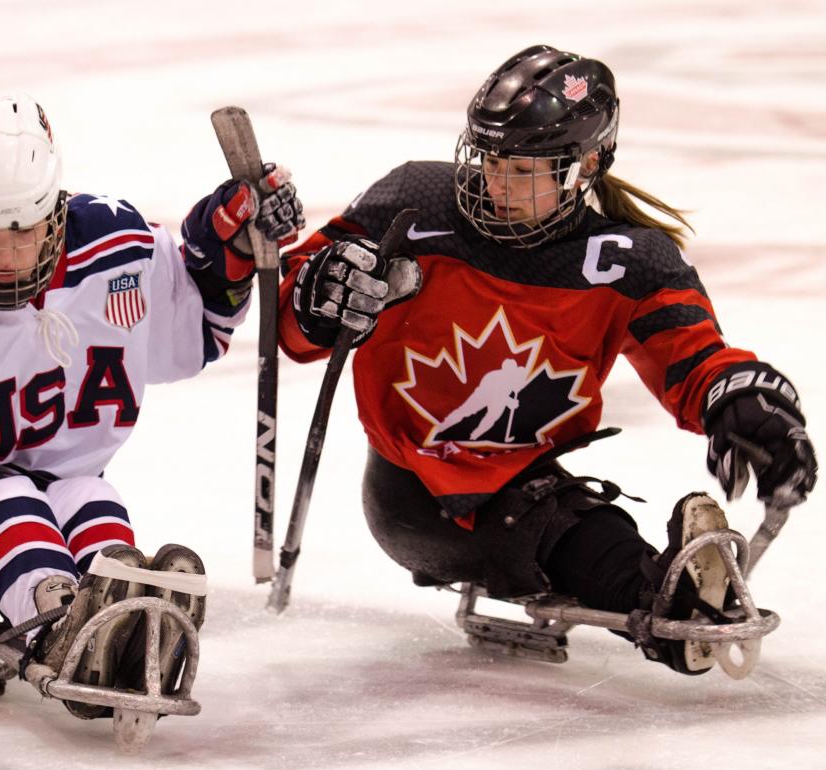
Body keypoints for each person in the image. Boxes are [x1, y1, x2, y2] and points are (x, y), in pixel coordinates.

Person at [277, 45, 816, 675]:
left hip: (525, 479)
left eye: (525, 168)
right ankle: (662, 602)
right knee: (570, 536)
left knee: (580, 531)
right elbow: (294, 332)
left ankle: (677, 610)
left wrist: (742, 398)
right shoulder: (414, 204)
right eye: (489, 159)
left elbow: (693, 359)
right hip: (410, 488)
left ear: (586, 166)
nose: (495, 184)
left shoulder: (629, 261)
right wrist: (323, 294)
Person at [0, 92, 304, 713]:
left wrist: (222, 252)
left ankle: (122, 617)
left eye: (22, 228)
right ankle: (64, 627)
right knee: (9, 498)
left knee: (91, 497)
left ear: (55, 209)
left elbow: (188, 331)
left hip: (65, 481)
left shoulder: (113, 248)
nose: (6, 255)